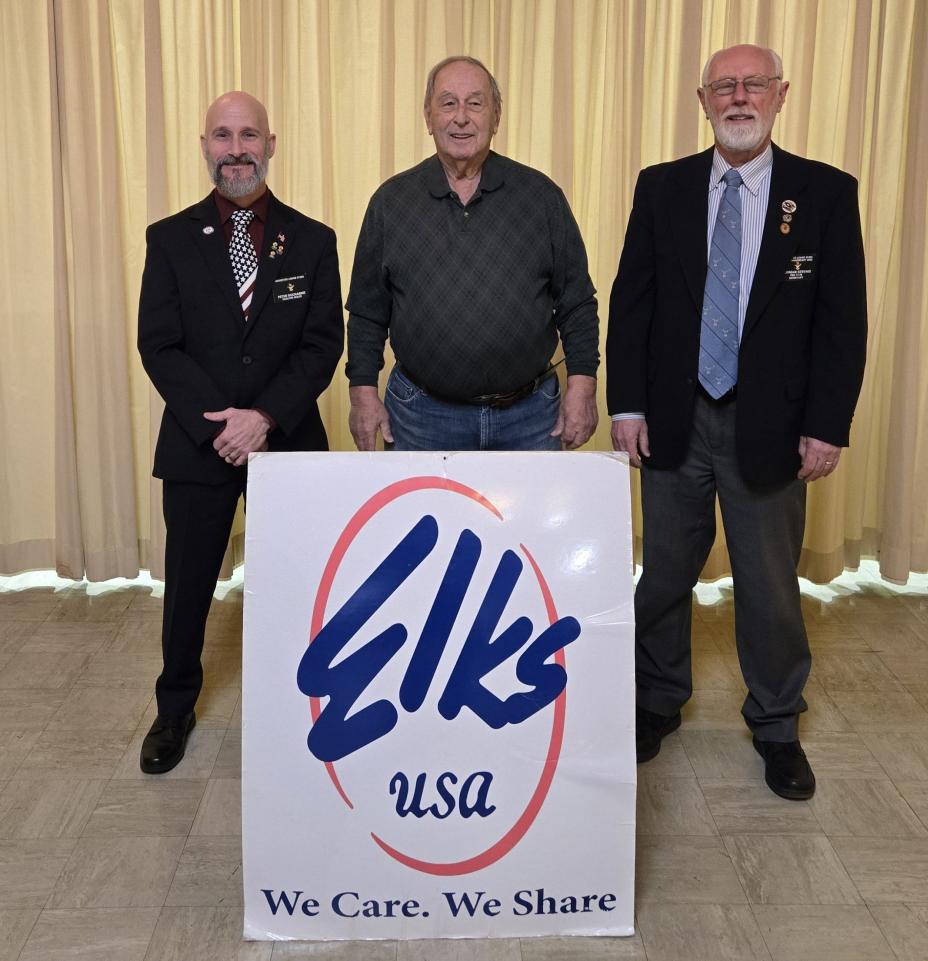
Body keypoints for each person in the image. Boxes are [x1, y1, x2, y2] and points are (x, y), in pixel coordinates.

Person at [606, 44, 867, 800]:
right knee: (664, 575)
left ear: (781, 94)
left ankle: (778, 722)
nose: (740, 96)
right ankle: (656, 701)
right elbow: (634, 303)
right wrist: (627, 404)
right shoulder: (663, 188)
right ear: (703, 98)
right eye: (726, 85)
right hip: (673, 421)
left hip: (775, 428)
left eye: (754, 83)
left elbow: (841, 321)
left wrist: (827, 424)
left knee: (769, 585)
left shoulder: (824, 193)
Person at [137, 91, 343, 773]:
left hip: (286, 444)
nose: (236, 149)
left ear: (272, 143)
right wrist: (220, 423)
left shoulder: (313, 240)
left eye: (248, 134)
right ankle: (174, 709)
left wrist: (263, 418)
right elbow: (159, 344)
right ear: (204, 146)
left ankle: (302, 709)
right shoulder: (168, 239)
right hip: (199, 447)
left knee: (298, 586)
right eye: (222, 136)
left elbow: (321, 346)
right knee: (188, 588)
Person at [345, 55, 599, 452]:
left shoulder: (541, 198)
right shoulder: (390, 203)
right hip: (421, 419)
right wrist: (362, 395)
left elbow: (577, 303)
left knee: (528, 518)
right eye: (447, 103)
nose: (460, 117)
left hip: (531, 419)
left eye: (475, 103)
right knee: (421, 517)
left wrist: (582, 389)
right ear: (428, 117)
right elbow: (366, 312)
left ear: (496, 117)